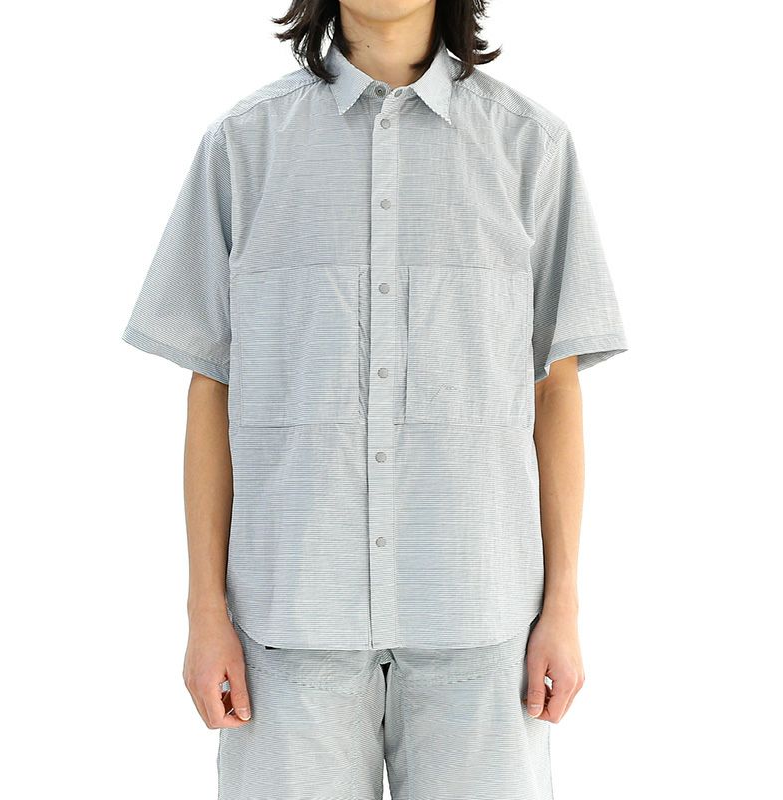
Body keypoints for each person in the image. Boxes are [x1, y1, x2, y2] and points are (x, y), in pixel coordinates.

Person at [121, 1, 628, 797]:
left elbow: (555, 387)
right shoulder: (243, 145)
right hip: (287, 628)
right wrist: (204, 611)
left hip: (482, 622)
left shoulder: (531, 146)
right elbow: (211, 387)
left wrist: (562, 605)